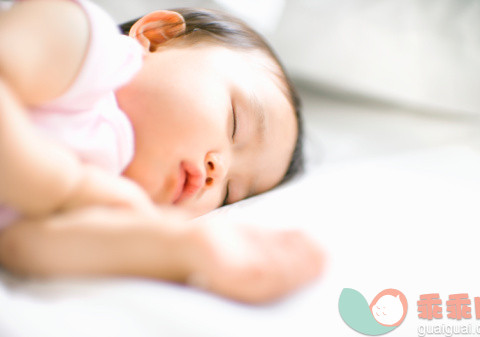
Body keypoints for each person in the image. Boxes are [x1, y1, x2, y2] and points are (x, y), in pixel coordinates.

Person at [0, 0, 324, 303]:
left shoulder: (112, 189)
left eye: (230, 193)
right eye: (235, 124)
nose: (219, 171)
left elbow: (20, 247)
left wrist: (176, 249)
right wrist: (67, 187)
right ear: (156, 36)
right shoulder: (83, 42)